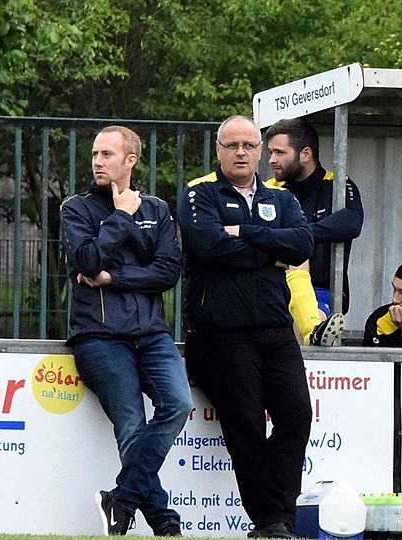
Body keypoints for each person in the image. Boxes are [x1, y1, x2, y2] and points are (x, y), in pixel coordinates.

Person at [179, 115, 314, 538]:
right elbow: (209, 246)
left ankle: (277, 517)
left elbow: (303, 244)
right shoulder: (199, 193)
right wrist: (270, 247)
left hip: (275, 329)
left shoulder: (283, 198)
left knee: (296, 416)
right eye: (232, 145)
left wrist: (245, 232)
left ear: (260, 151)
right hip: (222, 332)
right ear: (218, 151)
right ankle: (273, 522)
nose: (241, 152)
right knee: (248, 427)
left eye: (249, 145)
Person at [61, 125, 191, 536]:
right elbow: (86, 259)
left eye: (107, 155)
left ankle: (121, 499)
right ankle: (166, 522)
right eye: (95, 154)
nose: (98, 161)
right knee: (132, 423)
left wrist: (113, 279)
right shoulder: (76, 208)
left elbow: (169, 271)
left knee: (179, 405)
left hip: (151, 334)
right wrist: (120, 217)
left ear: (130, 161)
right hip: (98, 336)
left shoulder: (157, 208)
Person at [265, 118, 363, 315]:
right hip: (275, 288)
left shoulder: (337, 184)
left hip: (324, 290)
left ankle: (315, 329)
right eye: (271, 152)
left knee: (311, 317)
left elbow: (352, 222)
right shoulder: (268, 189)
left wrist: (298, 236)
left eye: (280, 152)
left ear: (306, 154)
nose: (271, 160)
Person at [286, 259, 344, 346]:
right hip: (287, 290)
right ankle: (313, 333)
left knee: (316, 316)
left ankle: (313, 332)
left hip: (323, 291)